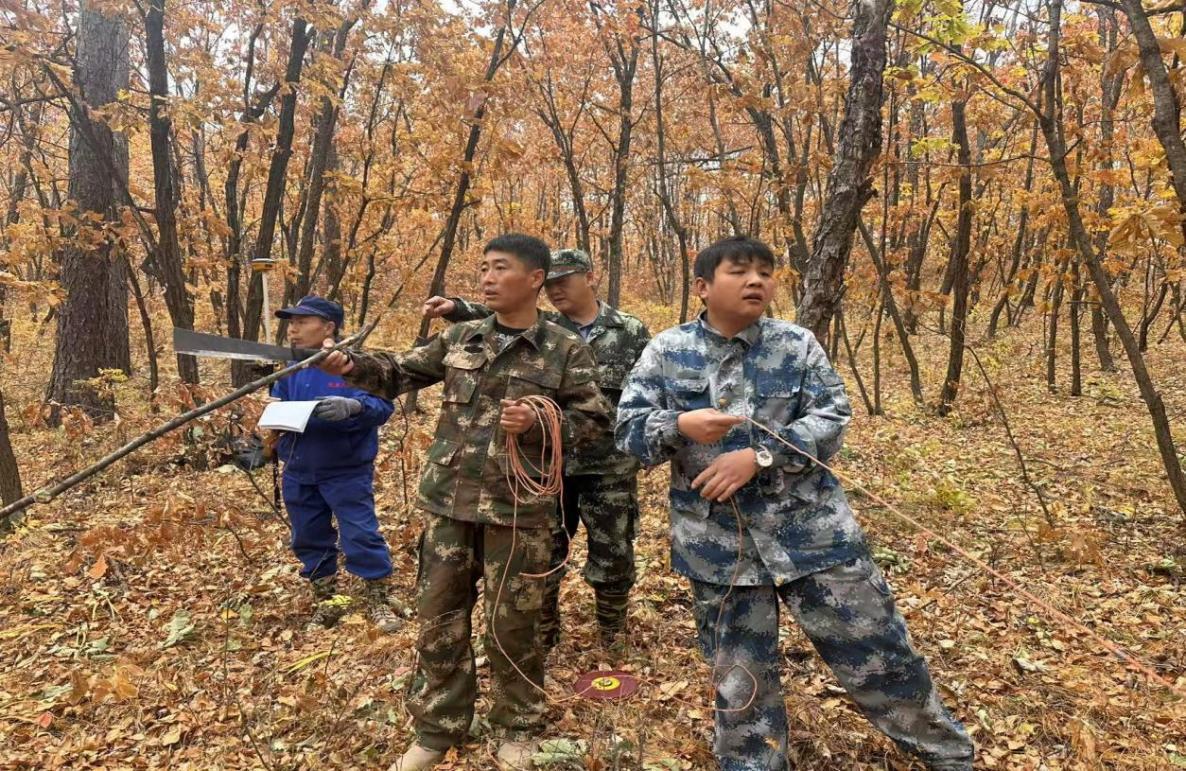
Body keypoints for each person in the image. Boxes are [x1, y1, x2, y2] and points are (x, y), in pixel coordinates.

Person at [614, 236, 974, 771]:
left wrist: (759, 456)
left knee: (880, 657)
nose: (756, 281)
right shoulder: (667, 351)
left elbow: (832, 418)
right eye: (740, 271)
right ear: (703, 286)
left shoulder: (797, 344)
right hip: (720, 548)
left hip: (815, 537)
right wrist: (679, 423)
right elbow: (627, 431)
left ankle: (949, 756)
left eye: (765, 272)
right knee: (741, 683)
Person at [318, 234, 612, 771]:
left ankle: (518, 724)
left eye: (500, 268)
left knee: (514, 625)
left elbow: (594, 425)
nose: (487, 278)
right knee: (439, 619)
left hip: (519, 512)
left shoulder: (565, 348)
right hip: (449, 506)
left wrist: (539, 423)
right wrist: (349, 365)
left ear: (535, 279)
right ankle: (438, 728)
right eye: (483, 268)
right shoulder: (461, 337)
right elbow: (398, 372)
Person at [422, 247, 649, 651]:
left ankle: (612, 633)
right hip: (545, 469)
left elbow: (648, 392)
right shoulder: (545, 328)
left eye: (565, 281)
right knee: (544, 555)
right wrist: (455, 307)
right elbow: (492, 314)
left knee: (613, 554)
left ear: (590, 278)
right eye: (551, 283)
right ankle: (544, 634)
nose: (556, 290)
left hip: (608, 466)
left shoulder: (629, 330)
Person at [270, 295, 401, 634]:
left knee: (360, 533)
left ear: (328, 327)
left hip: (345, 468)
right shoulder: (290, 366)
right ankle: (327, 600)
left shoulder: (353, 364)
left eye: (302, 322)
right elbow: (278, 402)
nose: (293, 329)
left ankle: (377, 599)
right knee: (307, 536)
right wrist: (271, 423)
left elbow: (383, 407)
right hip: (298, 467)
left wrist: (354, 408)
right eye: (291, 323)